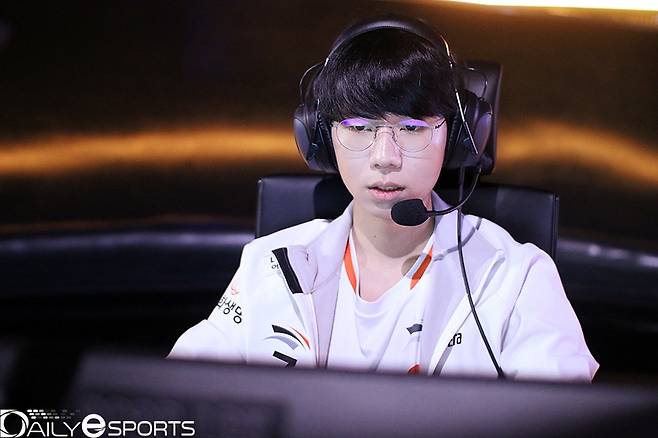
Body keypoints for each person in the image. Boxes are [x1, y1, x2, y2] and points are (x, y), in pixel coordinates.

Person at [168, 15, 598, 381]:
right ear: (321, 137)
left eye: (412, 128)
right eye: (358, 127)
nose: (384, 157)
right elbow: (179, 396)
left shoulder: (517, 277)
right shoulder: (268, 264)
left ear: (459, 137)